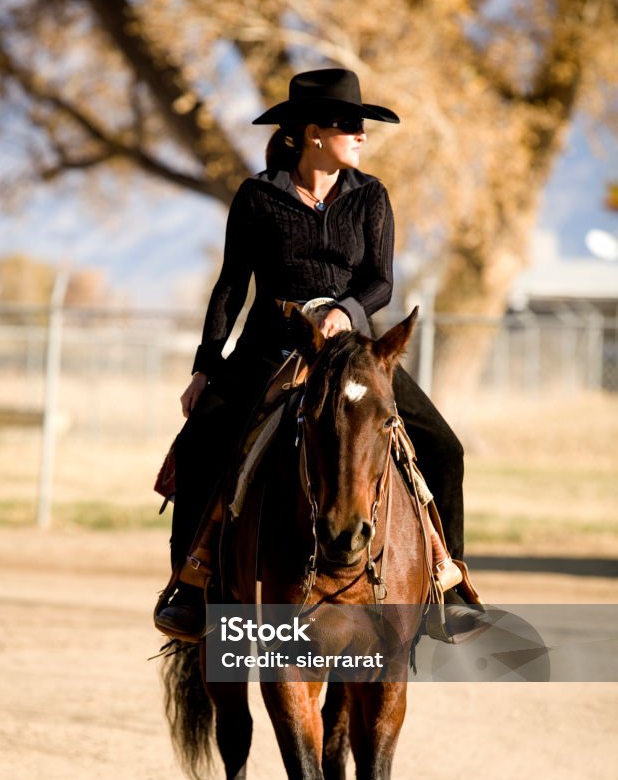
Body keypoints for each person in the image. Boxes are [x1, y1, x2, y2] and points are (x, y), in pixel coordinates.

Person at [155, 68, 469, 639]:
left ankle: (450, 584)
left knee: (445, 449)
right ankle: (192, 583)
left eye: (361, 125)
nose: (360, 134)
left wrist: (345, 311)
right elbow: (231, 286)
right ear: (311, 133)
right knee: (202, 437)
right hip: (270, 346)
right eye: (349, 124)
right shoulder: (257, 197)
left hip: (352, 353)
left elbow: (381, 281)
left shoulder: (370, 196)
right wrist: (205, 367)